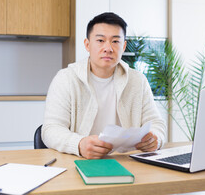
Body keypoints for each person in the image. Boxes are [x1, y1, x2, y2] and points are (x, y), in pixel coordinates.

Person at [42, 12, 166, 159]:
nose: (108, 48)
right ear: (87, 45)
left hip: (128, 161)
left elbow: (157, 124)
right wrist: (79, 144)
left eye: (115, 41)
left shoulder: (137, 80)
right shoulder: (66, 79)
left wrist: (155, 139)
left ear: (124, 46)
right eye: (100, 40)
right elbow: (50, 130)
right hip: (80, 160)